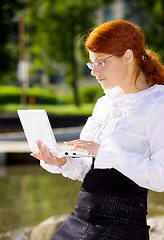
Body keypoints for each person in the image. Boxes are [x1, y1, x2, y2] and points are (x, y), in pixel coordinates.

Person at [31, 20, 164, 240]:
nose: (94, 71)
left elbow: (160, 178)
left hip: (121, 224)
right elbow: (89, 169)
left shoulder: (157, 105)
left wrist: (106, 152)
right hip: (81, 216)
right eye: (91, 63)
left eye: (100, 62)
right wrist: (63, 162)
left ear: (129, 57)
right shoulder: (105, 104)